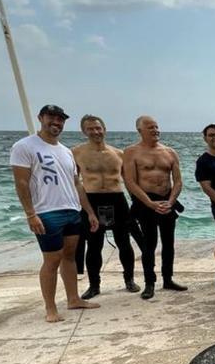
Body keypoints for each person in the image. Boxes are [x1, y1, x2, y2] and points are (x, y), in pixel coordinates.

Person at [10, 104, 100, 322]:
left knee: (69, 257)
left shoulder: (66, 151)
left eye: (60, 119)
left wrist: (89, 212)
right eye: (51, 117)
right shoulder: (25, 146)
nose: (56, 122)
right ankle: (50, 309)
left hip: (71, 210)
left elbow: (76, 184)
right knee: (51, 260)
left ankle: (73, 298)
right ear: (41, 118)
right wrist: (31, 214)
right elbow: (21, 182)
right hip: (46, 211)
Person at [72, 114, 139, 299]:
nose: (95, 131)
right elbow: (74, 182)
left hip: (117, 199)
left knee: (124, 243)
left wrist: (137, 203)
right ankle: (94, 285)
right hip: (92, 200)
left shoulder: (119, 153)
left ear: (104, 129)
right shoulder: (77, 153)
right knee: (94, 245)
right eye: (90, 129)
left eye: (98, 128)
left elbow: (129, 181)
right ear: (84, 131)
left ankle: (129, 280)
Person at [123, 115, 186, 299]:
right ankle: (149, 282)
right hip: (146, 202)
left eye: (157, 127)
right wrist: (149, 203)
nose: (155, 130)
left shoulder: (170, 152)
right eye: (150, 127)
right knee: (149, 245)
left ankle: (168, 278)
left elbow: (178, 181)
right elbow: (130, 181)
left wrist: (171, 201)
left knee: (169, 244)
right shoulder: (131, 152)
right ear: (140, 130)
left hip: (167, 201)